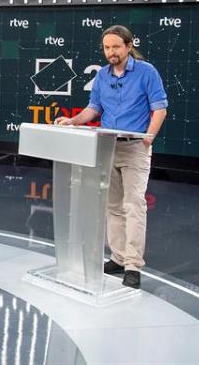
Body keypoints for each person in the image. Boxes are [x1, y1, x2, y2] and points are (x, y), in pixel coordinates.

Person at [55, 25, 168, 289]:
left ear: (129, 46)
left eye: (116, 46)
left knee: (134, 205)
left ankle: (133, 266)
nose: (111, 52)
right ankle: (118, 257)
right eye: (107, 47)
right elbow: (94, 108)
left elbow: (160, 108)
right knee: (113, 206)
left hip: (135, 148)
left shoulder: (146, 72)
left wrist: (148, 139)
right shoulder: (102, 76)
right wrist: (73, 121)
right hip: (107, 148)